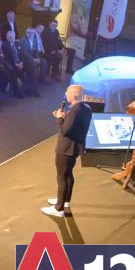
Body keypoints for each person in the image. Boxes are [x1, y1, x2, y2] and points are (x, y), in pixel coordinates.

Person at [43, 84, 91, 217]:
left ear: (74, 96)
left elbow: (64, 130)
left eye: (67, 92)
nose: (66, 93)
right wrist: (65, 117)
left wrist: (59, 118)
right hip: (74, 147)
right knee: (68, 175)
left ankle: (58, 209)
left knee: (62, 177)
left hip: (66, 149)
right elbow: (75, 125)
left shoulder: (75, 110)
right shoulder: (86, 108)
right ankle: (65, 201)